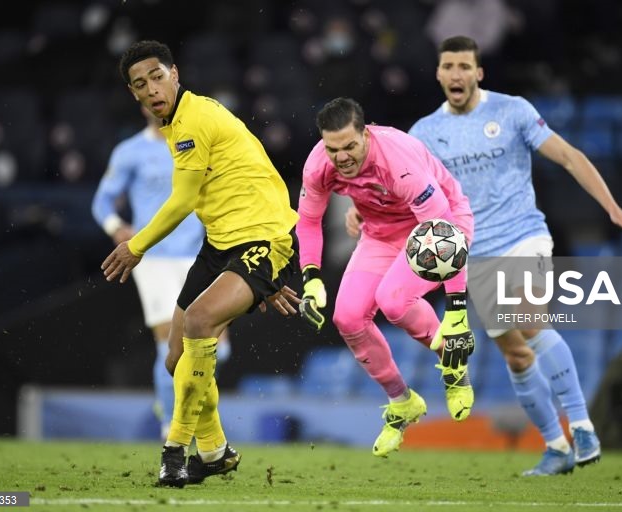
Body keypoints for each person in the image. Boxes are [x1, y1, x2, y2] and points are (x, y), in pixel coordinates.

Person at [347, 36, 622, 475]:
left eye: (464, 66)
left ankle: (583, 426)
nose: (456, 74)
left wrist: (612, 207)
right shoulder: (424, 133)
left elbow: (567, 156)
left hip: (523, 237)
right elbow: (394, 188)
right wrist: (361, 211)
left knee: (529, 320)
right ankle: (557, 446)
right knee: (516, 355)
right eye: (448, 66)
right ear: (438, 73)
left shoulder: (513, 111)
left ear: (478, 72)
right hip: (470, 255)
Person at [102, 40, 301, 488]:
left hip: (262, 237)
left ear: (175, 74)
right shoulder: (178, 124)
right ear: (133, 94)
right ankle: (215, 452)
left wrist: (136, 245)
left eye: (157, 76)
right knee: (175, 358)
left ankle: (175, 450)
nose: (151, 88)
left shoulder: (191, 121)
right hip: (221, 244)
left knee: (200, 320)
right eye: (140, 84)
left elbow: (184, 200)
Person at [297, 97, 475, 458]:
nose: (342, 156)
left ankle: (454, 361)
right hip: (380, 233)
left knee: (394, 300)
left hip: (440, 228)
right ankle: (401, 401)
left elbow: (444, 233)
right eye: (334, 149)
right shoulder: (318, 165)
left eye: (350, 146)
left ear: (366, 134)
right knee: (346, 317)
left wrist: (457, 312)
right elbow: (309, 221)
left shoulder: (398, 162)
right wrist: (311, 275)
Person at [91, 106, 231, 441]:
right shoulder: (130, 152)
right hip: (154, 259)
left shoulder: (196, 144)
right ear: (139, 103)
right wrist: (116, 228)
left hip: (198, 257)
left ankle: (180, 401)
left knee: (218, 349)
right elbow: (102, 201)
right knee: (171, 345)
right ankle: (171, 421)